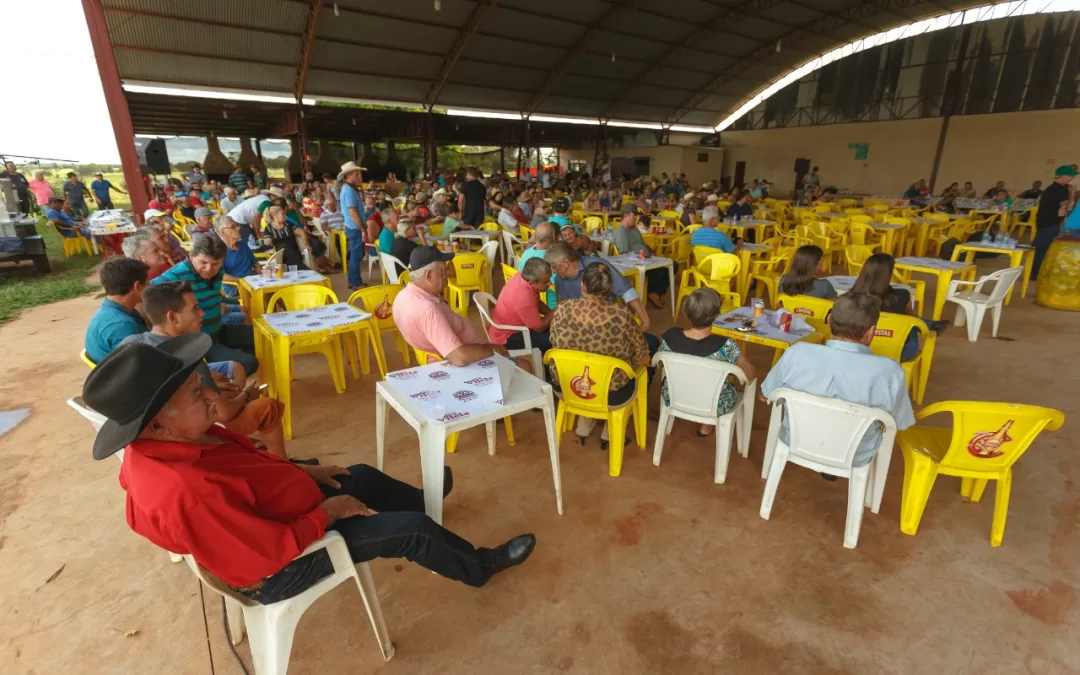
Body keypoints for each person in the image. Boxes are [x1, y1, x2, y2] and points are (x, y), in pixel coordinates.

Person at [83, 335, 536, 601]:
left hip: (279, 515)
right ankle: (481, 566)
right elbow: (263, 556)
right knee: (411, 531)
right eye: (193, 393)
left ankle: (424, 502)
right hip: (284, 563)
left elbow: (249, 471)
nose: (208, 394)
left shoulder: (171, 441)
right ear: (157, 424)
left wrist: (303, 475)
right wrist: (327, 513)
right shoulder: (185, 490)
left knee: (359, 474)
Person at [119, 281, 296, 459]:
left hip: (150, 438)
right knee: (269, 407)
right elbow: (225, 413)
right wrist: (247, 394)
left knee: (227, 382)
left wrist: (209, 383)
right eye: (195, 308)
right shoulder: (186, 356)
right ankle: (284, 465)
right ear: (173, 317)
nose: (202, 313)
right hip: (190, 434)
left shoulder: (131, 344)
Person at [760, 292, 915, 472]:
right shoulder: (890, 372)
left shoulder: (797, 353)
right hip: (855, 454)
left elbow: (766, 394)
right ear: (872, 332)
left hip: (796, 440)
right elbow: (900, 422)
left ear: (829, 321)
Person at [548, 262, 651, 449]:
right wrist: (631, 366)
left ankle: (584, 425)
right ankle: (610, 432)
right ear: (609, 288)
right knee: (638, 368)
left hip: (567, 386)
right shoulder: (621, 315)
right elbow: (642, 353)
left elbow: (554, 341)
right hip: (611, 393)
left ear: (582, 285)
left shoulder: (562, 309)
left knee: (587, 365)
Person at [152, 234, 258, 375]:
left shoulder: (219, 271)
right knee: (249, 363)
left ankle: (231, 371)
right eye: (203, 262)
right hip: (197, 341)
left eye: (215, 264)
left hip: (218, 329)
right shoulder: (176, 276)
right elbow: (149, 293)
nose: (209, 269)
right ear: (192, 256)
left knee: (261, 337)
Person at [658, 287, 757, 437]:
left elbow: (660, 363)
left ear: (686, 312)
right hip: (714, 404)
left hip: (674, 396)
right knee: (726, 389)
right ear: (716, 315)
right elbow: (750, 374)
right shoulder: (726, 345)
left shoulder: (670, 337)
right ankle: (706, 425)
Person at [393, 246, 507, 364]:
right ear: (429, 276)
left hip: (456, 355)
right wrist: (494, 349)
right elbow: (460, 357)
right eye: (443, 270)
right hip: (469, 364)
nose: (449, 273)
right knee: (517, 361)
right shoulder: (428, 310)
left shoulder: (402, 296)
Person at [544, 241, 658, 354]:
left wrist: (645, 320)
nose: (554, 272)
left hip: (602, 324)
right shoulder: (622, 314)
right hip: (591, 329)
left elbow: (626, 291)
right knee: (650, 343)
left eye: (554, 267)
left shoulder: (597, 267)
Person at [85, 258, 150, 363]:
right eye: (148, 284)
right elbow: (138, 364)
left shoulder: (111, 310)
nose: (150, 287)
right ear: (137, 286)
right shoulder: (122, 324)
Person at [613, 205, 673, 309]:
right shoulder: (621, 232)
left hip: (646, 259)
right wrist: (642, 258)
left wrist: (652, 252)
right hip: (636, 263)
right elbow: (624, 255)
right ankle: (652, 293)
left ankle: (655, 293)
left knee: (673, 265)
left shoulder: (635, 230)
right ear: (626, 215)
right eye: (634, 215)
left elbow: (643, 244)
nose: (636, 218)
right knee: (661, 270)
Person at [490, 258, 554, 354]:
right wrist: (555, 312)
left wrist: (549, 312)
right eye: (546, 282)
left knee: (552, 326)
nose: (550, 283)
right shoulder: (523, 295)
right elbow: (539, 327)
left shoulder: (522, 277)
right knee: (553, 338)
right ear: (532, 283)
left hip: (507, 327)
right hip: (507, 337)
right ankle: (547, 362)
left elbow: (535, 301)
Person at [1033, 165, 1076, 276]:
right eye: (1071, 176)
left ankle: (1038, 272)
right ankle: (1035, 273)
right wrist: (1071, 193)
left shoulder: (1059, 187)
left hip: (1050, 221)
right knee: (1043, 248)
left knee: (1045, 248)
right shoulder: (1056, 189)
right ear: (1064, 176)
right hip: (1048, 222)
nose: (1072, 178)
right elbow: (1066, 203)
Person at [339, 161, 367, 289]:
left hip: (354, 227)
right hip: (355, 228)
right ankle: (356, 283)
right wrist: (363, 229)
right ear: (349, 175)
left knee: (356, 255)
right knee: (356, 255)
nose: (359, 177)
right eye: (356, 174)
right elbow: (353, 212)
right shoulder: (349, 190)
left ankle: (353, 280)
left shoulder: (350, 189)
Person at [215, 216, 260, 296]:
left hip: (252, 283)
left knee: (275, 290)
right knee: (264, 296)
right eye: (233, 227)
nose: (238, 228)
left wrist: (262, 276)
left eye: (237, 225)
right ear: (222, 232)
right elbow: (221, 275)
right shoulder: (218, 250)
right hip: (236, 287)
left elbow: (256, 265)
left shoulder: (243, 245)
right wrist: (242, 281)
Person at [263, 205, 312, 270]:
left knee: (287, 250)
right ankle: (304, 269)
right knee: (284, 248)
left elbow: (302, 232)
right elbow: (268, 243)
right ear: (275, 216)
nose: (285, 216)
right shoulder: (268, 228)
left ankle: (302, 269)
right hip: (281, 256)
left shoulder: (288, 224)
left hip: (294, 252)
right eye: (282, 214)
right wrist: (268, 241)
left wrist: (306, 244)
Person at [388, 208, 427, 279]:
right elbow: (427, 254)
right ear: (406, 230)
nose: (416, 230)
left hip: (395, 273)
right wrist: (422, 237)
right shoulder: (407, 244)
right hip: (404, 275)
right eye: (413, 228)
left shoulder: (397, 240)